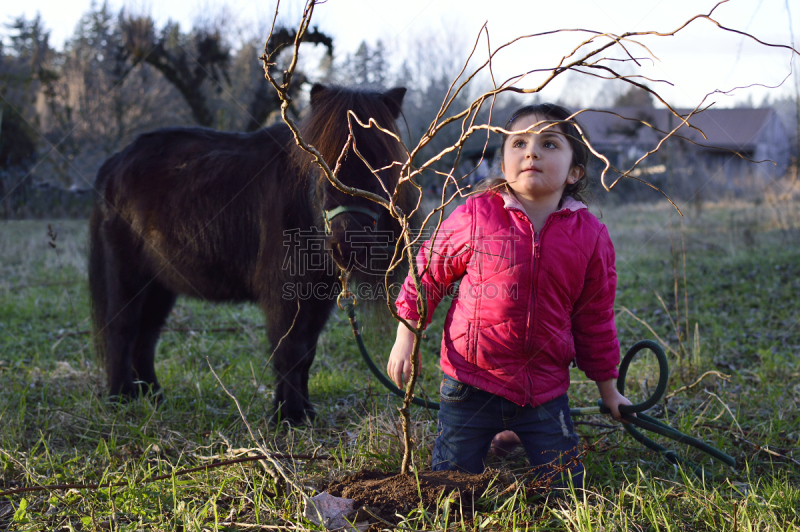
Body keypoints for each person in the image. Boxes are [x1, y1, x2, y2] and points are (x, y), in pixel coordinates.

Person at [387, 103, 632, 487]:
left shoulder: (591, 236)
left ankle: (513, 433)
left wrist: (610, 391)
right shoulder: (476, 216)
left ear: (575, 171)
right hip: (470, 382)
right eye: (519, 143)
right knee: (448, 487)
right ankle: (497, 435)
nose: (531, 151)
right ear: (503, 166)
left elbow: (595, 319)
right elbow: (427, 275)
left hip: (545, 391)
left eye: (549, 144)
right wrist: (406, 337)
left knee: (566, 487)